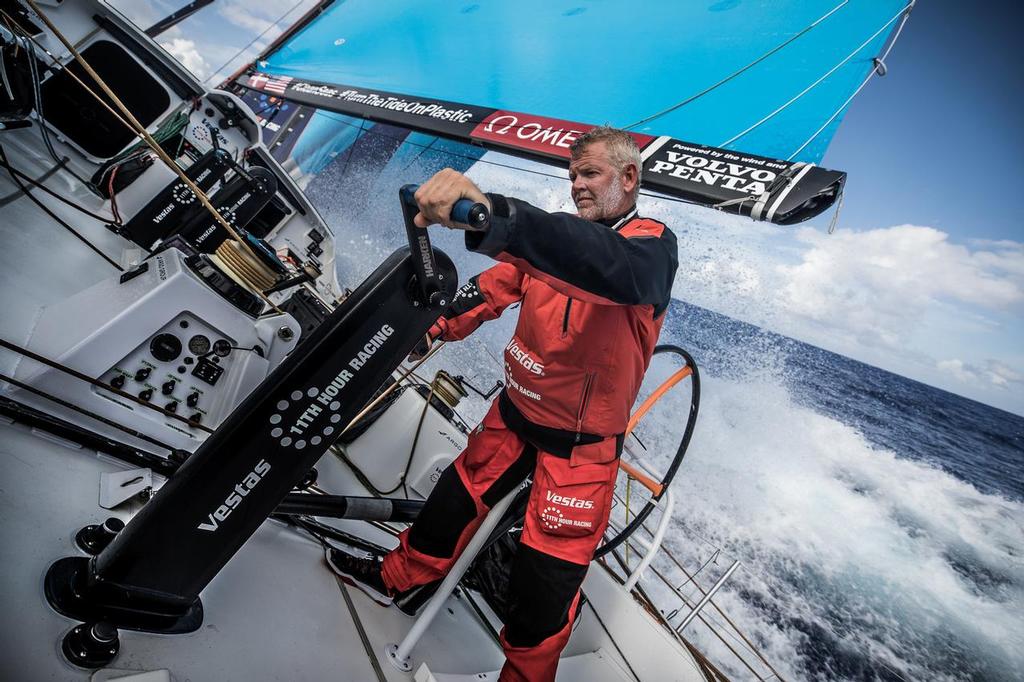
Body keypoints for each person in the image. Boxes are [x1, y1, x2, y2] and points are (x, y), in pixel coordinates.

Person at [327, 126, 678, 681]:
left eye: (590, 174)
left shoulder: (648, 247)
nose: (577, 187)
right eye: (572, 177)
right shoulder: (550, 249)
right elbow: (491, 289)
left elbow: (610, 268)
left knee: (544, 584)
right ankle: (397, 579)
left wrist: (498, 217)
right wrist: (427, 328)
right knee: (450, 503)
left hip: (581, 452)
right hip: (513, 417)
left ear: (629, 177)